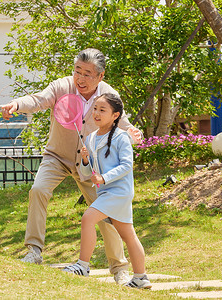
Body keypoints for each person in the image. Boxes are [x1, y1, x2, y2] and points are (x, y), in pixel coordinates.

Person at [1, 48, 142, 285]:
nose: (81, 78)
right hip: (57, 156)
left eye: (88, 74)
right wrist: (16, 104)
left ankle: (119, 268)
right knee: (38, 190)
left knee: (106, 213)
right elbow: (38, 99)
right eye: (78, 71)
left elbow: (122, 123)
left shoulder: (108, 94)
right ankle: (34, 251)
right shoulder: (62, 86)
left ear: (100, 76)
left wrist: (132, 133)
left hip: (91, 164)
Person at [62, 93, 151, 289]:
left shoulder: (121, 137)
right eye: (95, 109)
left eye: (103, 110)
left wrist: (105, 177)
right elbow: (88, 172)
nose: (96, 113)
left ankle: (83, 266)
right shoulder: (92, 138)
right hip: (106, 192)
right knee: (128, 234)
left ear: (115, 115)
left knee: (88, 218)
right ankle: (141, 278)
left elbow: (127, 166)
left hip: (118, 192)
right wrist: (85, 160)